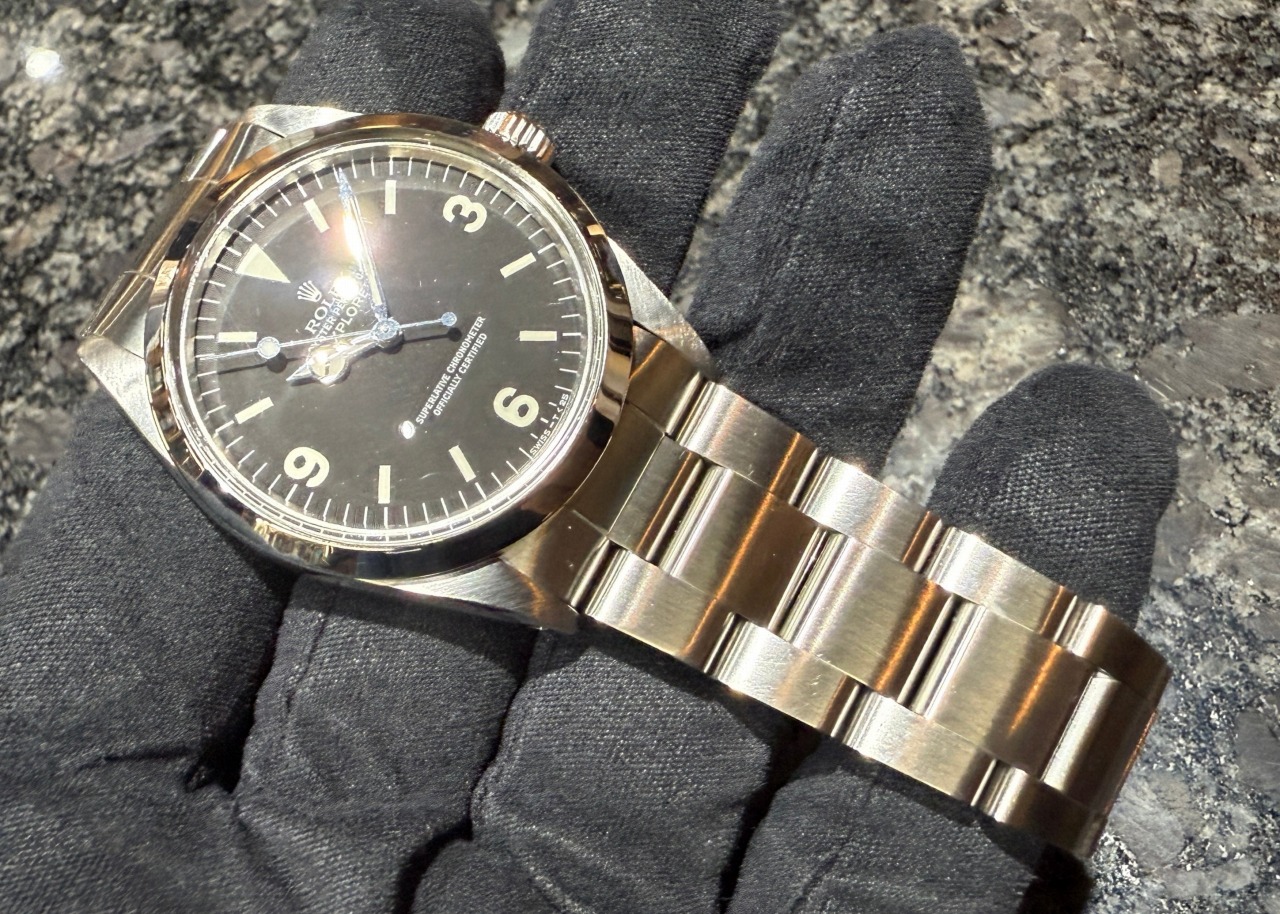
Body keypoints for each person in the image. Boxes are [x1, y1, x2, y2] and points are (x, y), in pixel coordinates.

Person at [0, 1, 1177, 910]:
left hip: (574, 387)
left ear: (514, 159)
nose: (365, 337)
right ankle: (1021, 718)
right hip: (486, 512)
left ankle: (1033, 710)